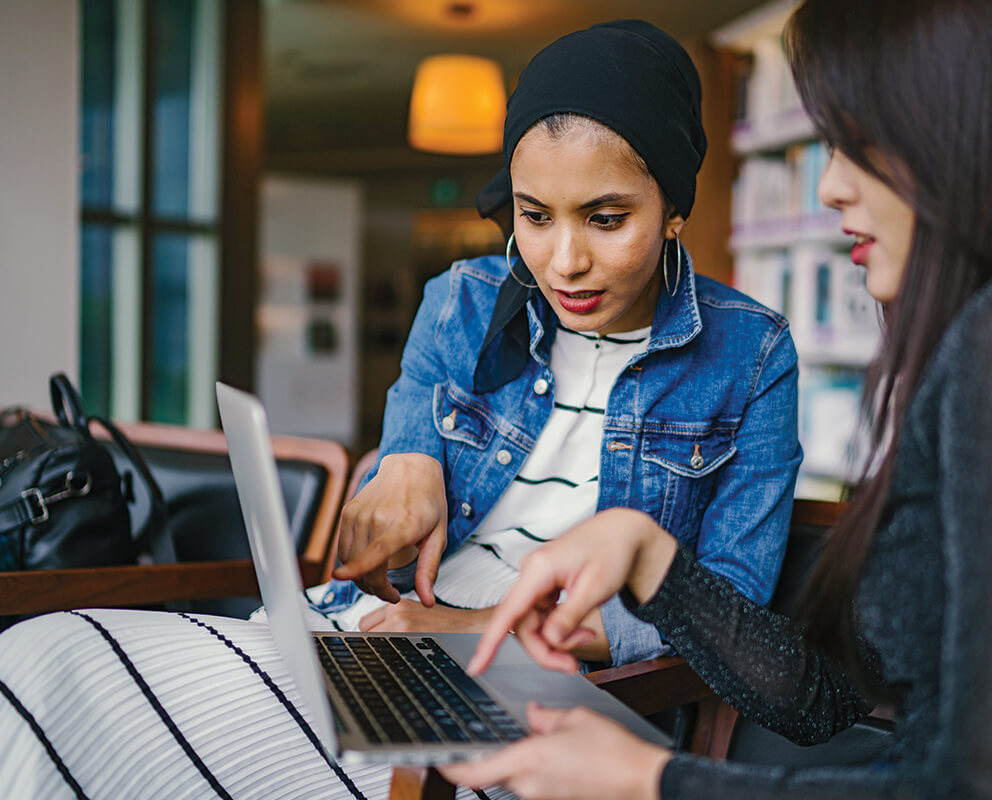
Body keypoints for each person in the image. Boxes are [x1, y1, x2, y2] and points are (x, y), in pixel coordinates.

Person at [0, 19, 801, 800]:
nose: (565, 261)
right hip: (373, 632)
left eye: (606, 218)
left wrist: (490, 629)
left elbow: (724, 612)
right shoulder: (461, 300)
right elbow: (396, 506)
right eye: (533, 215)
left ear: (675, 210)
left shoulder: (752, 355)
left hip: (550, 692)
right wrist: (405, 463)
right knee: (41, 658)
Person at [441, 1, 992, 798]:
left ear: (980, 119)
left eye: (859, 142)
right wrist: (653, 560)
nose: (833, 186)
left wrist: (649, 783)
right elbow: (823, 701)